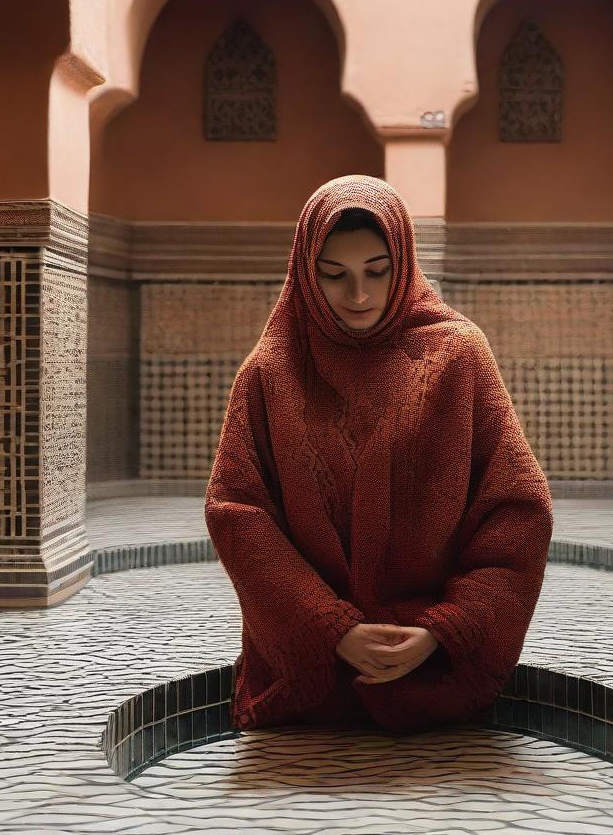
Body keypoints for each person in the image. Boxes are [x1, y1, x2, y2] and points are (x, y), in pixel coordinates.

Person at [204, 174, 554, 734]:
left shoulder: (458, 355)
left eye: (377, 270)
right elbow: (237, 512)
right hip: (312, 672)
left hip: (432, 661)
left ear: (405, 260)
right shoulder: (271, 371)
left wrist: (447, 629)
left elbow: (517, 509)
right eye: (334, 275)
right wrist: (330, 629)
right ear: (304, 272)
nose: (359, 295)